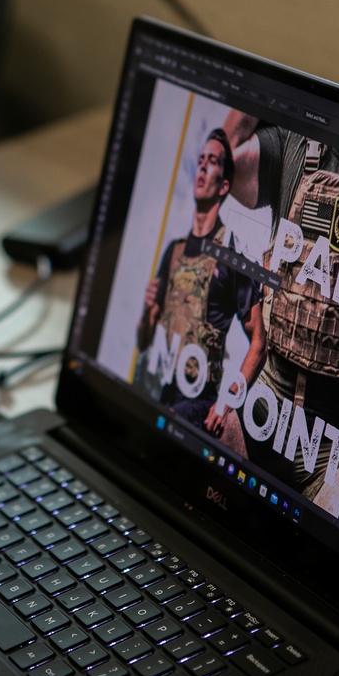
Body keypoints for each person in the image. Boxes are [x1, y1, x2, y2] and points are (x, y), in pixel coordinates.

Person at [222, 109, 339, 515]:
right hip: (259, 413)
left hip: (331, 447)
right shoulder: (294, 144)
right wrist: (262, 86)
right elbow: (222, 163)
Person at [135, 129, 266, 445]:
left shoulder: (232, 254)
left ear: (224, 185)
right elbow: (144, 340)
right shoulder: (174, 251)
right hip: (161, 393)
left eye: (213, 162)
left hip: (195, 406)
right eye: (201, 160)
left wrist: (227, 402)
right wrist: (145, 311)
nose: (203, 168)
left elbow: (259, 341)